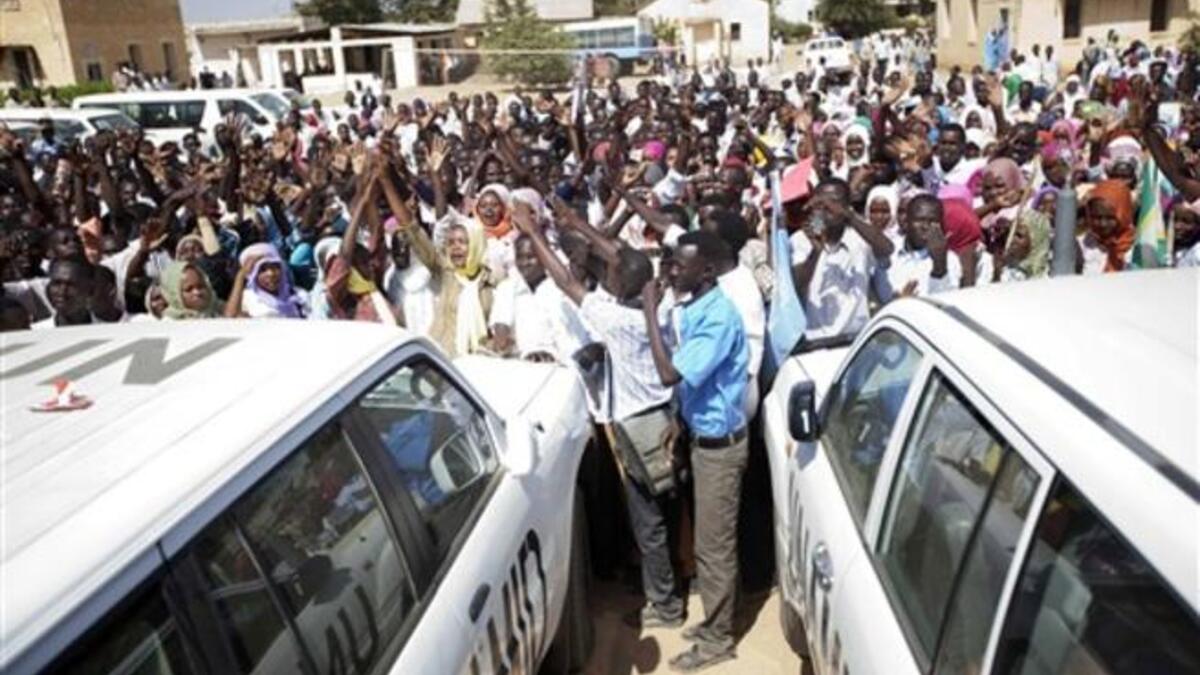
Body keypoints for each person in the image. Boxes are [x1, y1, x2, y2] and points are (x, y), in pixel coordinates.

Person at [641, 231, 749, 672]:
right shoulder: (698, 308)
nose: (669, 272)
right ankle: (714, 624)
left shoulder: (718, 318)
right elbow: (693, 384)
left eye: (678, 266)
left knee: (714, 548)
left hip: (720, 452)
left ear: (705, 272)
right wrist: (680, 421)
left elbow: (670, 373)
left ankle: (719, 639)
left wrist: (649, 310)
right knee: (710, 544)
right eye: (668, 264)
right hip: (701, 438)